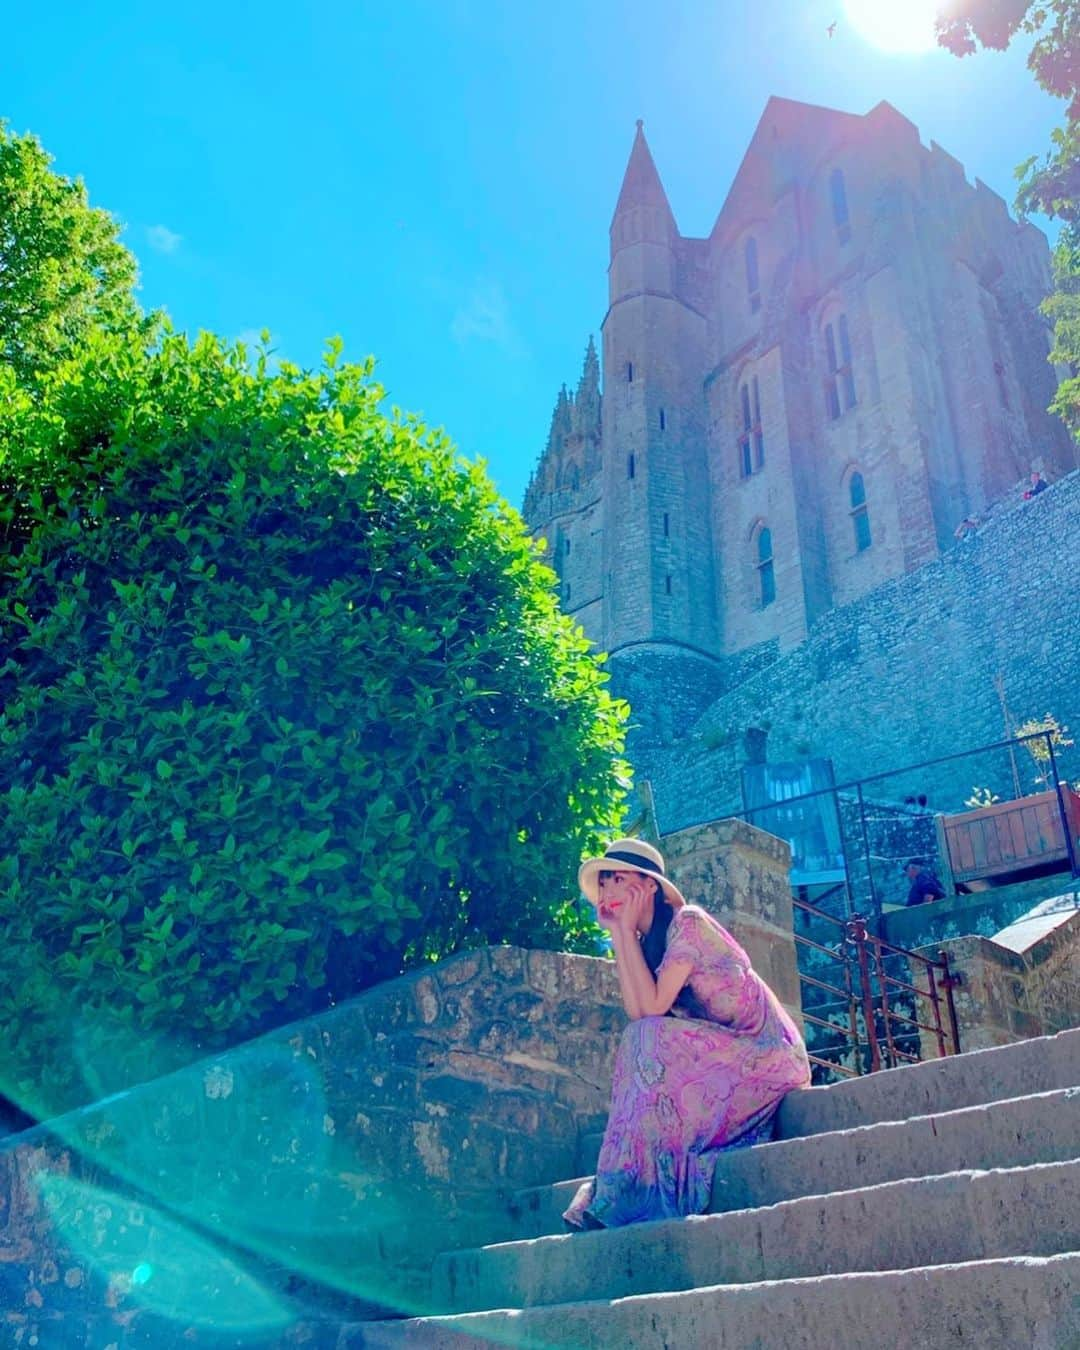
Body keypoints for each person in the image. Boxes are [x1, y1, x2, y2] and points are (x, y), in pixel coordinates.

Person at [562, 839, 811, 1231]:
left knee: (645, 1039)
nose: (606, 890)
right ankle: (621, 1188)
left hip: (770, 1056)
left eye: (616, 878)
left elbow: (655, 1009)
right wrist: (621, 934)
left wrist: (626, 932)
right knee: (640, 1038)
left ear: (649, 886)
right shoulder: (647, 946)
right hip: (723, 1054)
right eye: (603, 881)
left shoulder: (689, 923)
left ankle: (634, 1190)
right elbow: (641, 1013)